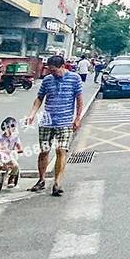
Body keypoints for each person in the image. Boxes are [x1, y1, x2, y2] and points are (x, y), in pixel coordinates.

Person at [25, 54, 84, 196]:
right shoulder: (47, 80)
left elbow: (79, 99)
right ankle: (41, 180)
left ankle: (57, 183)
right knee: (44, 151)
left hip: (65, 122)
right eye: (49, 70)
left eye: (53, 70)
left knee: (61, 151)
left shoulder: (74, 78)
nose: (51, 73)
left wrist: (77, 118)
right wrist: (32, 114)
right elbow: (39, 98)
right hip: (47, 122)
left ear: (62, 66)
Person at [0, 117, 23, 193]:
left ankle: (11, 178)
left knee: (16, 166)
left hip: (9, 157)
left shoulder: (15, 137)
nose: (9, 130)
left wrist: (17, 150)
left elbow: (20, 148)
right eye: (7, 128)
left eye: (12, 127)